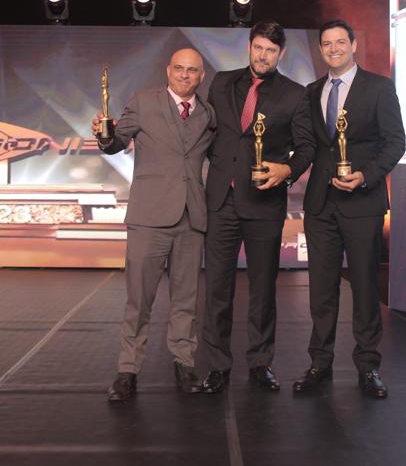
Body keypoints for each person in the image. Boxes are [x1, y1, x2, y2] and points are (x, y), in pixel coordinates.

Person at [93, 48, 216, 402]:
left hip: (192, 217)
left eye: (192, 70)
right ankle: (128, 370)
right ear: (168, 70)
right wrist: (105, 134)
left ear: (201, 76)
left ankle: (184, 363)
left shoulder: (208, 114)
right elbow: (116, 143)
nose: (184, 75)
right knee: (139, 299)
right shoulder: (144, 102)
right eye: (179, 68)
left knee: (186, 300)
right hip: (149, 218)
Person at [293, 19, 405, 399]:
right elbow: (309, 146)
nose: (334, 49)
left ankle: (368, 365)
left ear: (353, 45)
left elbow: (395, 142)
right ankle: (319, 363)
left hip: (362, 202)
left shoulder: (379, 88)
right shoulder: (312, 92)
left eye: (340, 42)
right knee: (321, 289)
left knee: (364, 286)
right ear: (320, 49)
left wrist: (366, 176)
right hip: (320, 205)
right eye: (327, 43)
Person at [200, 21, 315, 393]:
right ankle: (217, 365)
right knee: (217, 289)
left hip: (264, 202)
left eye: (271, 50)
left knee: (263, 289)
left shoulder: (295, 94)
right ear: (249, 46)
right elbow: (209, 133)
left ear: (281, 54)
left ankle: (260, 362)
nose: (263, 56)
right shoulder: (221, 82)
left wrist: (287, 170)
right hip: (221, 200)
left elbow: (307, 147)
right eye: (258, 47)